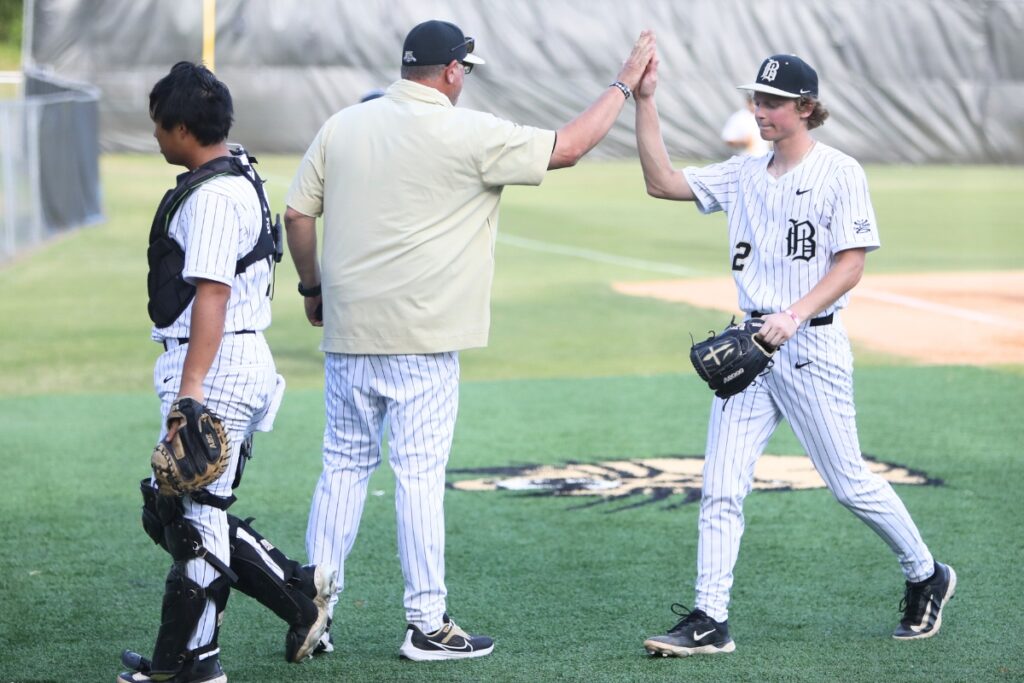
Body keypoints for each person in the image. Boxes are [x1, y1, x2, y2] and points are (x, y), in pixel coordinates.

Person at [284, 20, 655, 662]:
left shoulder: (343, 124)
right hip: (424, 339)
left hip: (350, 335)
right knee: (419, 477)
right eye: (466, 70)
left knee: (342, 469)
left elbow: (297, 214)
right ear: (453, 71)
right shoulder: (469, 129)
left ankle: (309, 612)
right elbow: (568, 147)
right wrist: (625, 83)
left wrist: (312, 290)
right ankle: (427, 625)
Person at [633, 53, 955, 657]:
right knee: (721, 486)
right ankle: (710, 618)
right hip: (749, 352)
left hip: (812, 345)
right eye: (757, 99)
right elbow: (662, 182)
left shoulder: (840, 172)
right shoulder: (742, 173)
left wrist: (794, 314)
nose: (761, 111)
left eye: (773, 102)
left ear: (806, 107)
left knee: (850, 485)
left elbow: (852, 262)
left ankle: (926, 572)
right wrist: (645, 100)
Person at [119, 62, 336, 683]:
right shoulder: (231, 168)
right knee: (178, 512)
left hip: (214, 364)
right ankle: (297, 593)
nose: (155, 133)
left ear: (183, 127)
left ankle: (190, 664)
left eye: (160, 124)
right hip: (227, 358)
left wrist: (189, 396)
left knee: (192, 522)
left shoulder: (213, 196)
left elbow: (210, 294)